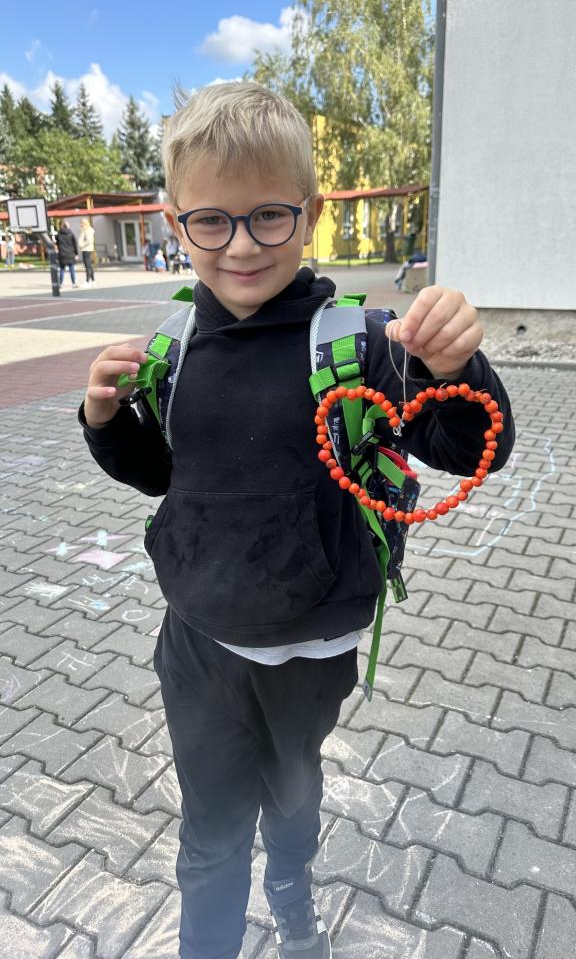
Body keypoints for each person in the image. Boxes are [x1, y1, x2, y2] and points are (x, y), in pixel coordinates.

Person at [80, 82, 515, 959]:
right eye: (212, 221)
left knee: (293, 797)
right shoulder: (174, 351)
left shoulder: (362, 344)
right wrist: (104, 422)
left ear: (310, 215)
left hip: (311, 652)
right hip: (197, 647)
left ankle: (290, 887)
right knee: (210, 831)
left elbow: (473, 448)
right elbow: (162, 474)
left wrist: (456, 365)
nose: (241, 244)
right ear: (175, 224)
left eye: (269, 216)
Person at [55, 220, 78, 288]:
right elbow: (75, 245)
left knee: (62, 270)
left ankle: (60, 284)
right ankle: (74, 283)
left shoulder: (59, 235)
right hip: (70, 254)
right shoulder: (71, 234)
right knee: (72, 270)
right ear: (68, 226)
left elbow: (57, 243)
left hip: (62, 254)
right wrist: (76, 253)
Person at [79, 218, 96, 283]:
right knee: (89, 265)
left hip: (87, 249)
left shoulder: (88, 230)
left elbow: (89, 240)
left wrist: (82, 245)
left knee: (87, 265)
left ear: (85, 223)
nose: (80, 224)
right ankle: (93, 280)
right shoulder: (85, 229)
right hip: (86, 249)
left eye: (82, 223)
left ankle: (87, 280)